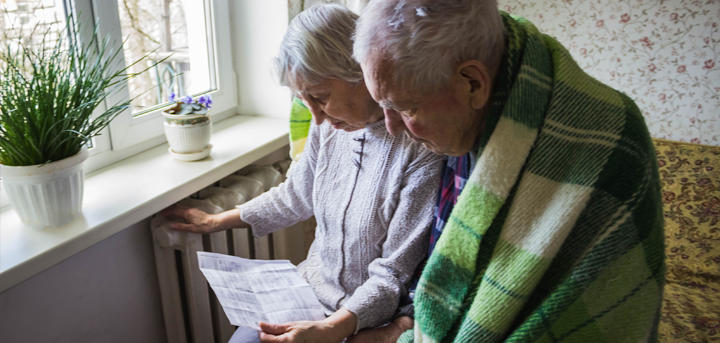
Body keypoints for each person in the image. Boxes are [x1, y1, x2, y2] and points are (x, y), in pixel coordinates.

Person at [353, 0, 665, 342]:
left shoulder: (611, 141)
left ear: (473, 82)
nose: (392, 127)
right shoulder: (466, 119)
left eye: (405, 107)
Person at [162, 4, 443, 343]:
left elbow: (393, 274)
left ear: (362, 73)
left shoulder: (420, 146)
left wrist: (332, 328)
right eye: (302, 99)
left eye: (321, 98)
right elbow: (295, 195)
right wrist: (215, 221)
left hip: (370, 316)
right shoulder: (329, 128)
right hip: (308, 293)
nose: (317, 117)